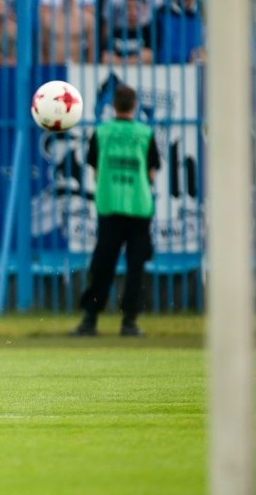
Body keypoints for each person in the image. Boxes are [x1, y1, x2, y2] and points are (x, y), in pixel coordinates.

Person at [70, 85, 161, 338]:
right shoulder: (145, 133)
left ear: (113, 105)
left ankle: (90, 320)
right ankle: (129, 322)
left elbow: (96, 171)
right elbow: (152, 174)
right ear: (134, 105)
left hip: (109, 207)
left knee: (103, 264)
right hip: (139, 208)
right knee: (135, 267)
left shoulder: (101, 132)